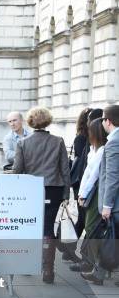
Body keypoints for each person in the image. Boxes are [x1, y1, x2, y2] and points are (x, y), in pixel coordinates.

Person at [13, 106, 70, 284]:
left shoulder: (22, 143)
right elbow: (65, 170)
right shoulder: (58, 141)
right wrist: (66, 193)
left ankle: (27, 264)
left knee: (29, 228)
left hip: (31, 190)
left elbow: (17, 171)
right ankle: (48, 270)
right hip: (54, 189)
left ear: (30, 121)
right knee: (48, 229)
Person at [83, 105, 119, 286]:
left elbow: (112, 177)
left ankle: (99, 273)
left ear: (108, 121)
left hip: (115, 203)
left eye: (104, 119)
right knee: (111, 237)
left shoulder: (113, 142)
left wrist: (107, 205)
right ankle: (99, 273)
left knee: (110, 236)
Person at [74, 118, 107, 282]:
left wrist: (83, 194)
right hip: (88, 192)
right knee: (90, 228)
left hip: (94, 194)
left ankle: (98, 266)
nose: (87, 133)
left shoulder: (102, 151)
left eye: (90, 130)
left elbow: (93, 175)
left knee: (92, 228)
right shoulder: (93, 150)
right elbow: (87, 173)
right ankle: (93, 263)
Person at [63, 107, 92, 263]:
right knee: (82, 217)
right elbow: (83, 160)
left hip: (83, 181)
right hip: (80, 182)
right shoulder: (81, 138)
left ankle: (69, 250)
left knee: (83, 218)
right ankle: (70, 249)